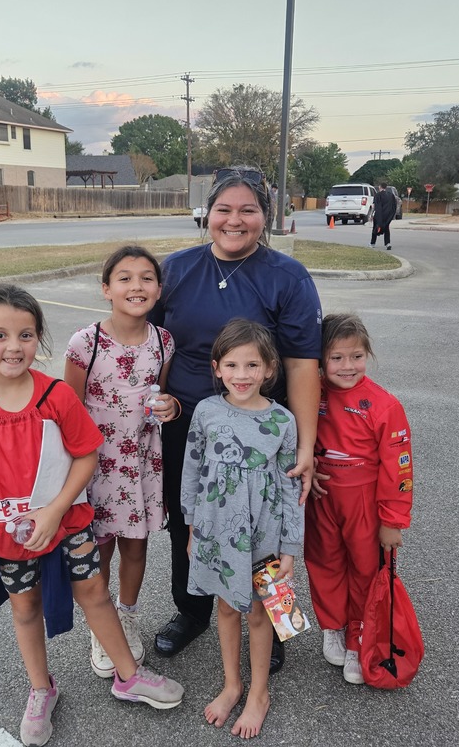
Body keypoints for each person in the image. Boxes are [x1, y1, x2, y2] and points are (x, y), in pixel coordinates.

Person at [0, 284, 184, 747]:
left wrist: (55, 509)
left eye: (26, 335)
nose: (13, 347)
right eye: (0, 335)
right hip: (6, 532)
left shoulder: (55, 396)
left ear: (39, 340)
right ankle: (41, 689)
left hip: (69, 521)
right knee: (25, 608)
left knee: (94, 592)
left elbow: (87, 456)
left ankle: (128, 675)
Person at [148, 165, 322, 675]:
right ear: (208, 214)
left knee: (269, 525)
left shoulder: (286, 277)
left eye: (248, 210)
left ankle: (276, 621)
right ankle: (194, 609)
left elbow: (303, 363)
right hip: (190, 424)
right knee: (191, 519)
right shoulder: (176, 269)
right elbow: (152, 347)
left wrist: (306, 447)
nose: (234, 220)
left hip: (264, 431)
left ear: (265, 216)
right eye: (224, 209)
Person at [181, 319, 304, 738]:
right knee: (226, 607)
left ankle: (259, 694)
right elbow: (193, 469)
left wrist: (290, 545)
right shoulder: (206, 411)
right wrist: (193, 526)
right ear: (217, 367)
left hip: (265, 533)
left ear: (269, 368)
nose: (242, 375)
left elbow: (291, 487)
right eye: (232, 365)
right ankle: (233, 684)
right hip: (216, 530)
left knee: (260, 612)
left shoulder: (283, 421)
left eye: (252, 365)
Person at [64, 245, 179, 678]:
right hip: (98, 467)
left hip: (143, 464)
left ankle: (127, 615)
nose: (137, 285)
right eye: (125, 278)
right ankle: (103, 621)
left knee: (137, 545)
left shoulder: (164, 342)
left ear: (159, 289)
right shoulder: (85, 343)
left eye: (146, 277)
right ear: (106, 289)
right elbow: (68, 411)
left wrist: (172, 406)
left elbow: (162, 397)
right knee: (102, 548)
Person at [304, 312, 414, 685]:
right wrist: (310, 465)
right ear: (321, 358)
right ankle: (332, 626)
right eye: (337, 357)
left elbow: (398, 469)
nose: (347, 366)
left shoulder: (384, 405)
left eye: (357, 356)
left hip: (366, 502)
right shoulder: (310, 393)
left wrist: (392, 521)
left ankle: (358, 636)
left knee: (366, 569)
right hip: (322, 499)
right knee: (324, 562)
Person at [371, 182, 397, 250]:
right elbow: (394, 206)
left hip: (379, 215)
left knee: (375, 228)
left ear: (380, 187)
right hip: (388, 215)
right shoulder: (391, 195)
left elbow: (376, 206)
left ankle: (372, 243)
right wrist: (391, 215)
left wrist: (372, 214)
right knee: (386, 229)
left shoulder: (377, 195)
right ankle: (387, 243)